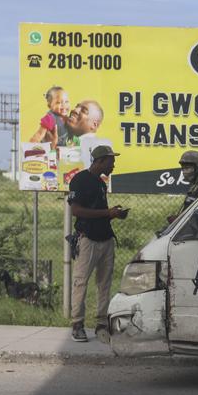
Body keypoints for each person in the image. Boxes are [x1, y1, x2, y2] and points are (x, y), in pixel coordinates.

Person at [67, 145, 128, 342]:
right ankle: (77, 324)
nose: (114, 165)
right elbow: (76, 210)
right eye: (111, 161)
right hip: (88, 239)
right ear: (100, 161)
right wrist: (107, 213)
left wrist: (114, 214)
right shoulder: (80, 180)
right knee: (80, 282)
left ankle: (101, 324)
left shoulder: (101, 183)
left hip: (105, 238)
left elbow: (99, 213)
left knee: (104, 283)